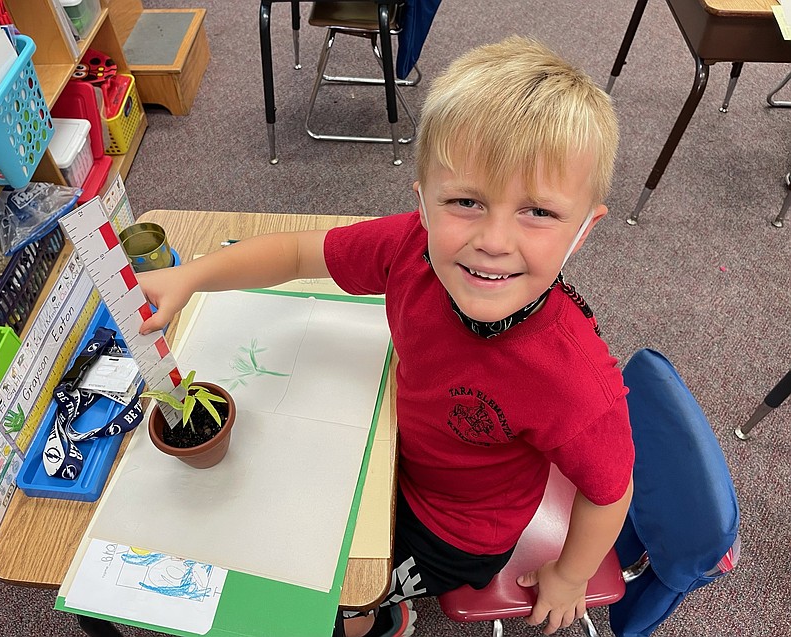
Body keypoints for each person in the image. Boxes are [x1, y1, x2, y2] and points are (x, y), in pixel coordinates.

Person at [138, 36, 634, 637]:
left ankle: (380, 620)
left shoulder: (573, 378)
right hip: (392, 445)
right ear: (422, 202)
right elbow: (298, 250)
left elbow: (610, 490)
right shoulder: (410, 248)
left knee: (333, 595)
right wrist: (193, 275)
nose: (495, 240)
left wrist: (570, 576)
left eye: (539, 213)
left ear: (584, 229)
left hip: (460, 531)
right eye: (467, 202)